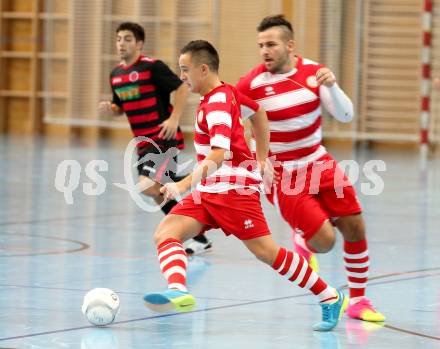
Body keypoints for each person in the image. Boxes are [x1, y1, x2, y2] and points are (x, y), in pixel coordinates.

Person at [143, 39, 348, 332]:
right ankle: (179, 290)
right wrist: (262, 159)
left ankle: (329, 296)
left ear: (203, 69)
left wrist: (182, 185)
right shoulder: (226, 92)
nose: (182, 76)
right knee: (166, 233)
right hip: (210, 191)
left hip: (233, 192)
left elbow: (219, 152)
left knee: (267, 252)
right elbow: (259, 114)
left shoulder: (215, 103)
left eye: (185, 69)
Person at [236, 15, 385, 322]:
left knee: (355, 226)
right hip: (282, 174)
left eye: (271, 44)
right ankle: (303, 239)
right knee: (326, 242)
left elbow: (345, 116)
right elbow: (233, 130)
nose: (265, 51)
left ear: (290, 46)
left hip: (319, 162)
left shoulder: (314, 73)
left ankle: (358, 301)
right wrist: (255, 161)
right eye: (261, 45)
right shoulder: (250, 85)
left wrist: (333, 86)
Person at [98, 22, 212, 254]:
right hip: (143, 143)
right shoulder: (116, 75)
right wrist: (112, 108)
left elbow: (181, 88)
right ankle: (197, 232)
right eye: (119, 38)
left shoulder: (152, 67)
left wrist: (174, 119)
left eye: (128, 39)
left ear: (139, 44)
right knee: (156, 193)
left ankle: (190, 183)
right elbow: (120, 107)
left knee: (148, 187)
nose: (122, 43)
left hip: (162, 137)